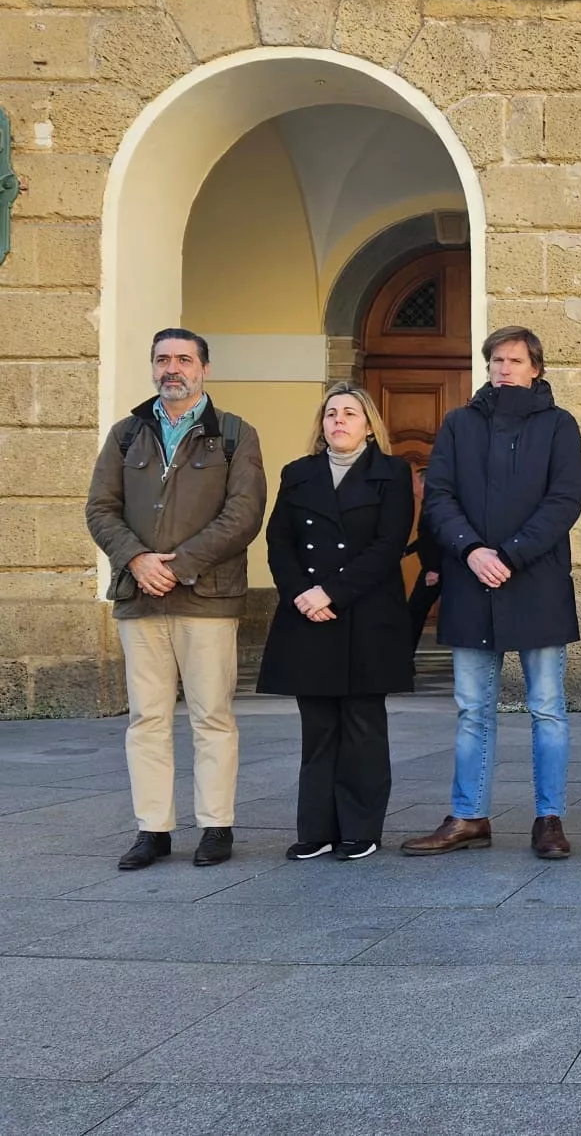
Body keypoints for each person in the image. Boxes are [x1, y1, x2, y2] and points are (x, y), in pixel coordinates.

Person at [399, 327, 581, 861]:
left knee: (548, 707)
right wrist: (473, 551)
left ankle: (549, 818)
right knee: (471, 710)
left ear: (536, 369)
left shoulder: (559, 426)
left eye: (514, 360)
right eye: (496, 360)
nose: (503, 368)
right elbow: (439, 497)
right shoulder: (459, 424)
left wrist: (510, 554)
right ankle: (468, 816)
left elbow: (565, 498)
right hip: (471, 582)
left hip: (536, 585)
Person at [85, 329, 266, 870]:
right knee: (147, 719)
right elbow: (100, 509)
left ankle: (215, 826)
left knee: (212, 717)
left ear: (204, 368)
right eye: (162, 359)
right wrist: (138, 560)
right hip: (138, 598)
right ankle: (152, 830)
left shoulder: (235, 434)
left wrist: (180, 565)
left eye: (184, 359)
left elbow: (243, 515)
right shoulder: (125, 435)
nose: (172, 368)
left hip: (206, 598)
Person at [256, 384, 414, 861]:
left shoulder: (392, 473)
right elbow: (278, 540)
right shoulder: (298, 473)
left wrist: (332, 592)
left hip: (366, 616)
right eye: (331, 413)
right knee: (318, 726)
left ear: (369, 425)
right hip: (308, 615)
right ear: (321, 424)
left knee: (363, 726)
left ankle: (360, 830)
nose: (339, 420)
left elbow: (388, 546)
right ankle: (317, 829)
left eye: (350, 413)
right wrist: (300, 594)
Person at [404, 463, 443, 648]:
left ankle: (405, 658)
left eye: (414, 482)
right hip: (434, 567)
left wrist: (433, 568)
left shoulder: (434, 507)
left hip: (436, 569)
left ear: (423, 484)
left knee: (415, 611)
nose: (412, 486)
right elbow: (425, 538)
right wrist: (405, 551)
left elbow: (437, 539)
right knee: (415, 612)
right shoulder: (430, 504)